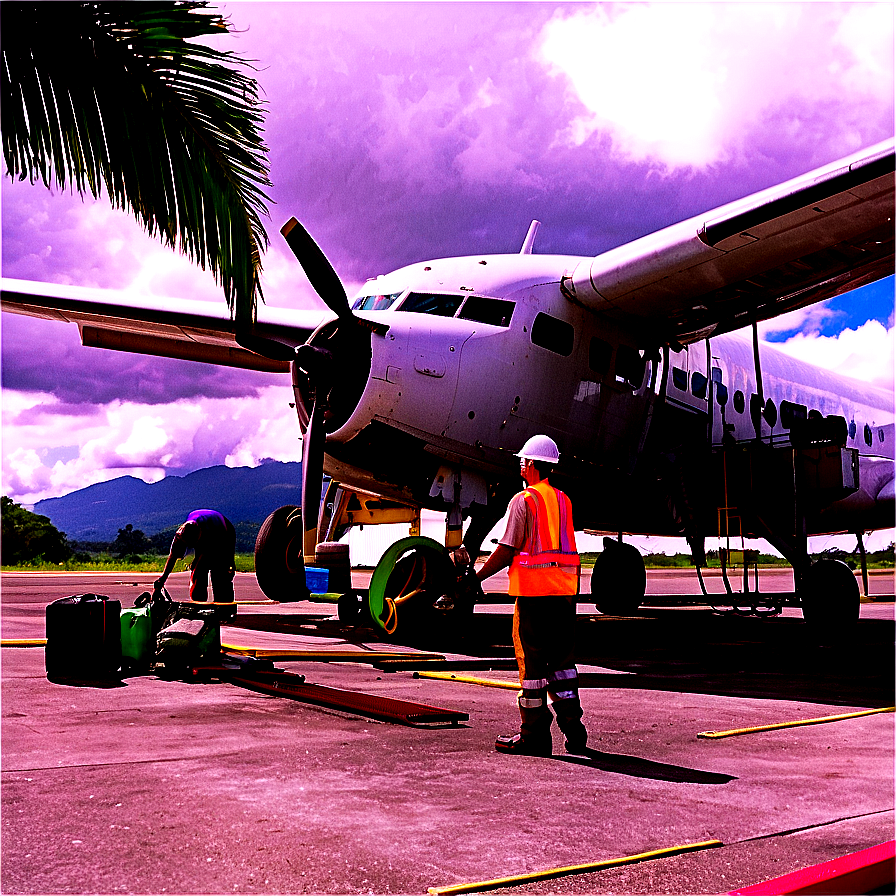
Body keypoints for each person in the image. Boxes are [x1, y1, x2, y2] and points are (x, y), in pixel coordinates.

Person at [475, 435, 588, 757]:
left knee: (533, 668)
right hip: (564, 594)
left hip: (534, 596)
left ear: (532, 465)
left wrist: (475, 577)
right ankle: (573, 727)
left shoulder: (524, 501)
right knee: (563, 665)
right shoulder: (562, 499)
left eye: (523, 461)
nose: (520, 465)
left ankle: (534, 734)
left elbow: (507, 549)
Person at [154, 509, 236, 603]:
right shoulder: (180, 535)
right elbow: (173, 556)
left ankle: (223, 605)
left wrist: (231, 562)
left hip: (223, 532)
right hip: (202, 532)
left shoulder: (213, 531)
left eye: (193, 543)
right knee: (198, 574)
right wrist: (162, 579)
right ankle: (199, 601)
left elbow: (206, 557)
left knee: (219, 574)